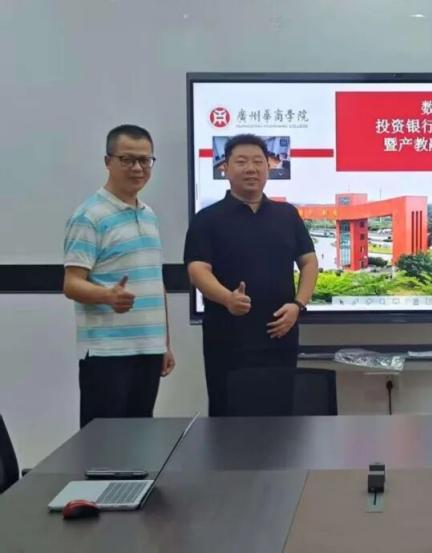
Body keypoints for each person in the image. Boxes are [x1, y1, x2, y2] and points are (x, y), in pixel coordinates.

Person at [184, 134, 318, 416]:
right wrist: (227, 298)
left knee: (281, 417)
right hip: (228, 339)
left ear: (269, 167)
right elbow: (197, 270)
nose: (251, 169)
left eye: (258, 161)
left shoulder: (287, 215)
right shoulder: (207, 219)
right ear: (225, 168)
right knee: (228, 418)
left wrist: (298, 305)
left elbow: (308, 262)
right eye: (241, 161)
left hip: (280, 335)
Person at [63, 125, 175, 428]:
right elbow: (71, 283)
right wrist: (107, 296)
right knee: (103, 442)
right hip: (107, 352)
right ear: (108, 161)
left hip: (148, 349)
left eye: (145, 160)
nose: (138, 168)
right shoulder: (89, 215)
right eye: (127, 159)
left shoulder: (149, 214)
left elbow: (156, 282)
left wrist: (163, 343)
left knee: (139, 438)